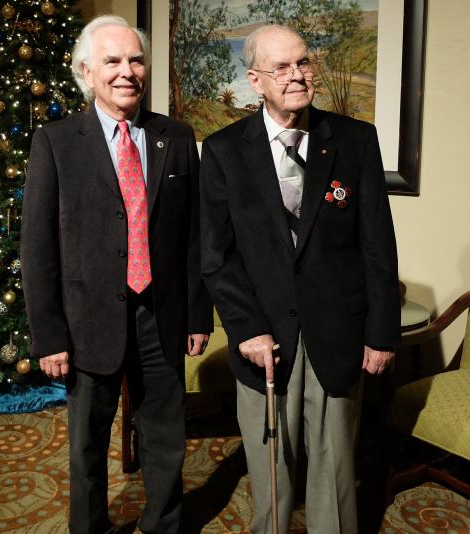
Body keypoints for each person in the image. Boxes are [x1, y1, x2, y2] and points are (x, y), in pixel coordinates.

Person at [199, 25, 400, 533]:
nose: (297, 76)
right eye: (282, 67)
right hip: (263, 338)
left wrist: (381, 332)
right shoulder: (223, 150)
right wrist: (246, 328)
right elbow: (216, 255)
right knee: (272, 471)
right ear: (255, 81)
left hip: (338, 330)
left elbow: (377, 244)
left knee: (335, 468)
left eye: (304, 63)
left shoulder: (355, 141)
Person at [21, 15, 212, 534]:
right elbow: (37, 250)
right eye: (113, 60)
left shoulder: (175, 136)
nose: (127, 71)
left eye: (135, 59)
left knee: (165, 438)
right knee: (87, 443)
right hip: (87, 325)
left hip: (162, 317)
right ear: (87, 71)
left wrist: (199, 314)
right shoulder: (56, 142)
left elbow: (193, 234)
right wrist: (50, 336)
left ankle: (163, 526)